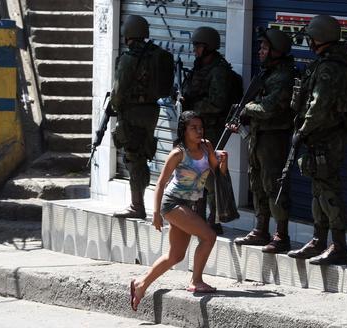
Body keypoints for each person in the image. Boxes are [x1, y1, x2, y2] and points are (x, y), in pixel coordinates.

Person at [129, 111, 228, 311]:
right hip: (172, 204)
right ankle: (196, 281)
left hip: (189, 205)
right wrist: (156, 214)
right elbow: (160, 183)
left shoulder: (207, 145)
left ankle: (141, 284)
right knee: (209, 236)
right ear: (184, 130)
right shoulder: (178, 153)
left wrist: (223, 162)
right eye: (194, 128)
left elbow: (216, 171)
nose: (199, 131)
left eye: (200, 127)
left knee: (175, 255)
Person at [287, 15, 347, 265]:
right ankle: (318, 240)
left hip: (327, 137)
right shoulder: (326, 63)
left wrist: (302, 130)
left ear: (320, 37)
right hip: (319, 136)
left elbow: (319, 105)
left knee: (328, 189)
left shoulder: (330, 68)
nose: (309, 42)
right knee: (318, 190)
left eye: (311, 37)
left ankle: (339, 246)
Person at [232, 28, 295, 253]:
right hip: (259, 135)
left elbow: (268, 108)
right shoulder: (267, 73)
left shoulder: (283, 76)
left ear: (276, 51)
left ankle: (281, 234)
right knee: (256, 182)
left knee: (273, 185)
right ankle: (260, 229)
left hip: (274, 137)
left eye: (265, 48)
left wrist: (245, 108)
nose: (260, 51)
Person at [111, 15, 174, 219]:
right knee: (143, 154)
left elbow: (118, 91)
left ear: (127, 33)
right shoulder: (156, 55)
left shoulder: (129, 58)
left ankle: (137, 206)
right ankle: (139, 202)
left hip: (133, 112)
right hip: (152, 111)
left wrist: (114, 106)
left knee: (133, 156)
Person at [181, 26, 238, 235]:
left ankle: (214, 220)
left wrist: (194, 106)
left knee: (212, 176)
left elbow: (217, 103)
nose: (195, 50)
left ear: (208, 47)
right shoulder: (200, 67)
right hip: (198, 128)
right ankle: (200, 217)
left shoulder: (219, 71)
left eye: (198, 46)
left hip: (212, 129)